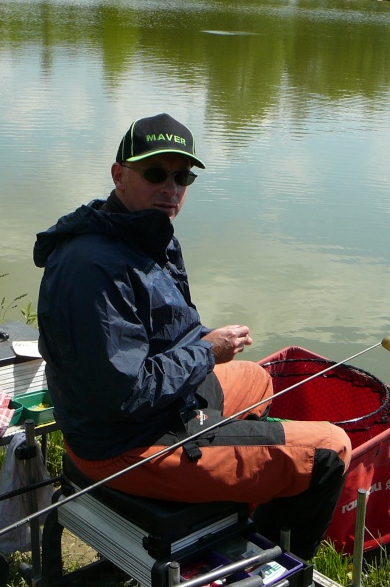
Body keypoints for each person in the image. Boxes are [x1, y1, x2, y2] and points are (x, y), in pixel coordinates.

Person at [33, 113, 351, 561]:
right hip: (122, 446)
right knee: (331, 449)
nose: (171, 189)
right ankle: (268, 564)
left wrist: (207, 341)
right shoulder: (94, 269)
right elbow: (124, 393)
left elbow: (164, 329)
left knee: (258, 380)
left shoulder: (142, 232)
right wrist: (207, 351)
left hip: (158, 411)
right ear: (119, 174)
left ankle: (233, 506)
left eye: (182, 177)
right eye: (156, 173)